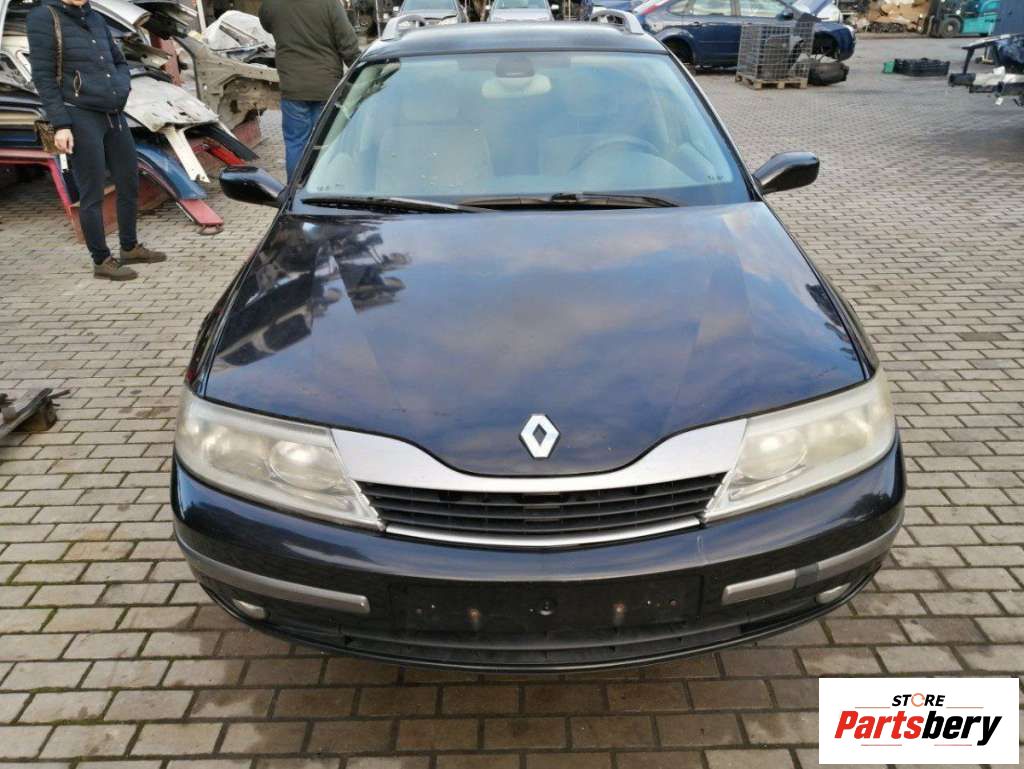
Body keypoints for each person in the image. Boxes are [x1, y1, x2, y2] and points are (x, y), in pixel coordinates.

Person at [27, 0, 167, 281]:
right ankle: (101, 260)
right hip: (79, 114)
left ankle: (129, 247)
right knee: (92, 192)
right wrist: (61, 124)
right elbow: (43, 77)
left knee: (129, 181)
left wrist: (122, 87)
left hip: (113, 112)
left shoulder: (94, 17)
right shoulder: (44, 17)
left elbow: (118, 60)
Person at [259, 0, 360, 181]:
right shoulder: (329, 4)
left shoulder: (271, 4)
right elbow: (348, 43)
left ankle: (295, 189)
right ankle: (324, 186)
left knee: (295, 143)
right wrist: (361, 74)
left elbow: (266, 24)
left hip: (293, 88)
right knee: (326, 143)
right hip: (326, 88)